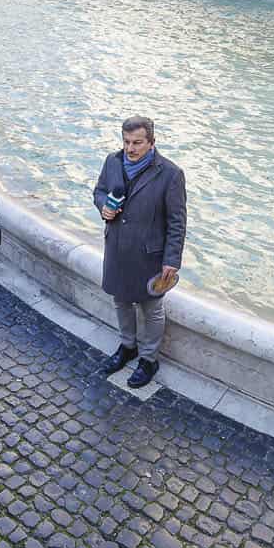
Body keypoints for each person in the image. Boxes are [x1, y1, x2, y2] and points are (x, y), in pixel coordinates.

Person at [91, 116, 187, 389]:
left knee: (151, 308)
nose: (130, 149)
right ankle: (127, 346)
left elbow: (177, 222)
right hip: (117, 248)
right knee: (120, 301)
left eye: (137, 143)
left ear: (152, 143)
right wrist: (103, 208)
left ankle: (148, 359)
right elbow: (99, 191)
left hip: (150, 255)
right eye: (126, 142)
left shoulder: (171, 174)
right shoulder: (112, 161)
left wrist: (171, 260)